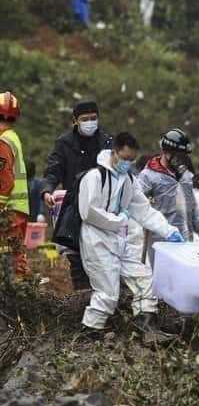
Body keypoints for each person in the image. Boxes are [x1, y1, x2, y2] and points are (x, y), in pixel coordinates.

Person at [79, 132, 184, 340]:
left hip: (122, 239)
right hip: (97, 239)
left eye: (131, 159)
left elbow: (143, 210)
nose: (127, 163)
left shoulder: (128, 179)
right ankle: (91, 331)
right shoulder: (95, 177)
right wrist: (119, 220)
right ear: (114, 152)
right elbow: (88, 211)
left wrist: (167, 229)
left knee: (144, 278)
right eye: (124, 158)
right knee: (108, 292)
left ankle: (146, 325)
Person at [42, 100, 113, 290]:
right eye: (85, 119)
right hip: (73, 208)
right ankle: (81, 298)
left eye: (93, 118)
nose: (90, 122)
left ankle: (101, 298)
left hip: (100, 209)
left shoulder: (107, 143)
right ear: (75, 121)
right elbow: (53, 170)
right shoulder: (64, 143)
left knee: (101, 258)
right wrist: (47, 190)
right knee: (76, 257)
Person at [137, 129, 199, 264]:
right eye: (179, 156)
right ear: (166, 152)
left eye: (184, 156)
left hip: (186, 242)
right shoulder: (148, 176)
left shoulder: (186, 176)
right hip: (161, 242)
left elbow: (192, 208)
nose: (183, 160)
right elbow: (137, 206)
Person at [0, 91, 30, 278]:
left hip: (9, 210)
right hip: (17, 208)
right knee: (15, 254)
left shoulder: (2, 141)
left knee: (10, 256)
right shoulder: (12, 137)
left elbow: (5, 180)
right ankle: (25, 292)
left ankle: (21, 294)